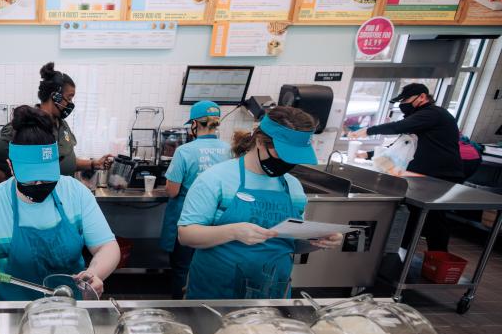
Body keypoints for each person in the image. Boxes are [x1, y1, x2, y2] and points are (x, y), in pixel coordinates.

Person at [0, 106, 121, 301]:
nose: (39, 184)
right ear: (11, 166)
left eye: (46, 177)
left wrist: (95, 272)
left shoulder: (75, 193)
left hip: (69, 308)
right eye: (31, 178)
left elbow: (107, 246)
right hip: (12, 314)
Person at [177, 107, 343, 300]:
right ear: (259, 141)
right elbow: (186, 235)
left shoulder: (293, 186)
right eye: (283, 153)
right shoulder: (216, 179)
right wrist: (233, 232)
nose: (287, 162)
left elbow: (291, 244)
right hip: (218, 292)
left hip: (272, 294)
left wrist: (317, 242)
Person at [349, 82, 463, 252]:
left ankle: (437, 257)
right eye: (401, 102)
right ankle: (400, 251)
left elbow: (397, 127)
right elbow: (400, 145)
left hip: (441, 174)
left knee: (433, 217)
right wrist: (368, 155)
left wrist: (368, 131)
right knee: (414, 213)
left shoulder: (433, 114)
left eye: (406, 100)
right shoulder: (419, 118)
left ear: (422, 97)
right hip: (423, 173)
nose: (403, 105)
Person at [0, 62, 112, 182]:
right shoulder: (26, 124)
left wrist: (93, 164)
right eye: (69, 98)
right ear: (55, 96)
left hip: (61, 196)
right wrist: (15, 193)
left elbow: (66, 161)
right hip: (37, 198)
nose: (70, 103)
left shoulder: (62, 125)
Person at [159, 101, 231, 298]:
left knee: (181, 268)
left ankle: (181, 308)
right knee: (210, 264)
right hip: (219, 219)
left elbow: (172, 191)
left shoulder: (185, 151)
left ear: (195, 124)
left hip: (188, 218)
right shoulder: (229, 150)